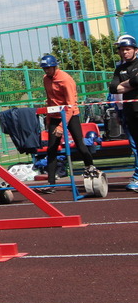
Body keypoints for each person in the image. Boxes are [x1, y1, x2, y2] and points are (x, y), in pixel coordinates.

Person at [39, 54, 99, 193]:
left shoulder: (65, 79)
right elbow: (49, 99)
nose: (46, 71)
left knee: (80, 144)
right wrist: (48, 118)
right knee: (51, 148)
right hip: (54, 115)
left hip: (70, 114)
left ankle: (91, 169)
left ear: (55, 66)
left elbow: (71, 105)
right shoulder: (45, 79)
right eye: (44, 68)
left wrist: (62, 126)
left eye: (48, 68)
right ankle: (51, 183)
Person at [108, 34, 138, 192]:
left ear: (135, 49)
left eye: (128, 49)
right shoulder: (119, 68)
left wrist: (125, 84)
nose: (125, 52)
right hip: (128, 112)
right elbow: (113, 88)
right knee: (136, 146)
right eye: (122, 50)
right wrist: (132, 83)